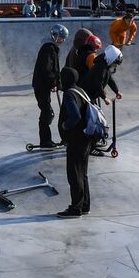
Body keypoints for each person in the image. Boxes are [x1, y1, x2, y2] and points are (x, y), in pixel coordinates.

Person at [57, 67, 94, 218]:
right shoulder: (80, 91)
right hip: (86, 138)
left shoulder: (69, 94)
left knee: (74, 174)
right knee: (82, 173)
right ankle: (85, 205)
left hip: (76, 139)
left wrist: (65, 126)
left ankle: (75, 208)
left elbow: (75, 116)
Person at [32, 24, 67, 149]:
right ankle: (45, 141)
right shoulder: (48, 49)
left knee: (47, 112)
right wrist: (53, 82)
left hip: (44, 84)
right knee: (48, 113)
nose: (63, 40)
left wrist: (58, 83)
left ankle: (46, 140)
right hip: (41, 85)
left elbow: (55, 69)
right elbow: (47, 69)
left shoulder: (52, 48)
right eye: (62, 37)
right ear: (55, 36)